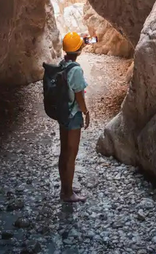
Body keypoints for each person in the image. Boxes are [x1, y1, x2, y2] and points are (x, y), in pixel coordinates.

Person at [58, 31, 90, 203]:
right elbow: (79, 95)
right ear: (78, 50)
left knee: (64, 152)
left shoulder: (62, 64)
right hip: (73, 114)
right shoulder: (76, 70)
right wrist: (86, 112)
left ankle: (66, 186)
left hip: (62, 112)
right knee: (71, 154)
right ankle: (68, 194)